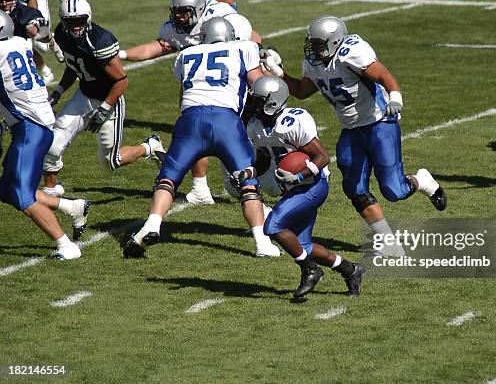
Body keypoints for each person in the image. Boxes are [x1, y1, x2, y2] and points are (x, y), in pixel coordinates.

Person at [260, 15, 447, 257]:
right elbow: (303, 91)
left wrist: (395, 96)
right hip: (351, 130)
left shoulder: (352, 52)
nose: (314, 49)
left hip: (379, 123)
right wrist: (279, 73)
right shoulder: (315, 63)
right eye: (312, 43)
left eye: (319, 44)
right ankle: (388, 242)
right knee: (354, 188)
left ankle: (422, 181)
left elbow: (382, 74)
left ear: (335, 41)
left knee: (394, 190)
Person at [123, 17, 280, 259]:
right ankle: (261, 242)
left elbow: (183, 96)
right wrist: (274, 72)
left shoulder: (186, 54)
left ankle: (152, 224)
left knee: (168, 177)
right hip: (225, 121)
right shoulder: (243, 48)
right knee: (248, 183)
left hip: (190, 119)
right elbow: (262, 86)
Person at [119, 0, 259, 205]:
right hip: (202, 84)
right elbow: (157, 47)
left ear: (200, 10)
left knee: (247, 130)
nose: (180, 17)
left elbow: (253, 36)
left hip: (232, 82)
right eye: (177, 12)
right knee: (196, 126)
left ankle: (252, 181)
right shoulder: (175, 29)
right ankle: (200, 187)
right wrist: (122, 54)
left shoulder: (220, 14)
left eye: (185, 12)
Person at [244, 76, 366, 297]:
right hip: (293, 188)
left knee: (273, 226)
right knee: (303, 246)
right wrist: (249, 172)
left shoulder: (293, 121)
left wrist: (298, 177)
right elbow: (263, 159)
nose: (253, 105)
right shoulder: (256, 126)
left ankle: (310, 270)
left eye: (258, 101)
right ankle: (351, 270)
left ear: (273, 102)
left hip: (312, 186)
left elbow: (322, 157)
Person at [42, 0, 165, 197]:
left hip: (109, 100)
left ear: (88, 17)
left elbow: (121, 81)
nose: (75, 26)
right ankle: (50, 190)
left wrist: (104, 108)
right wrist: (58, 92)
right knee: (54, 144)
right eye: (70, 22)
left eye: (79, 21)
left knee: (111, 162)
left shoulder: (99, 41)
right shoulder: (63, 36)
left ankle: (150, 146)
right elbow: (74, 67)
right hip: (84, 96)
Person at [0, 10, 89, 260]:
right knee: (7, 189)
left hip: (31, 130)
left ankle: (66, 246)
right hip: (35, 126)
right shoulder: (18, 43)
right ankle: (71, 207)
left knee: (21, 195)